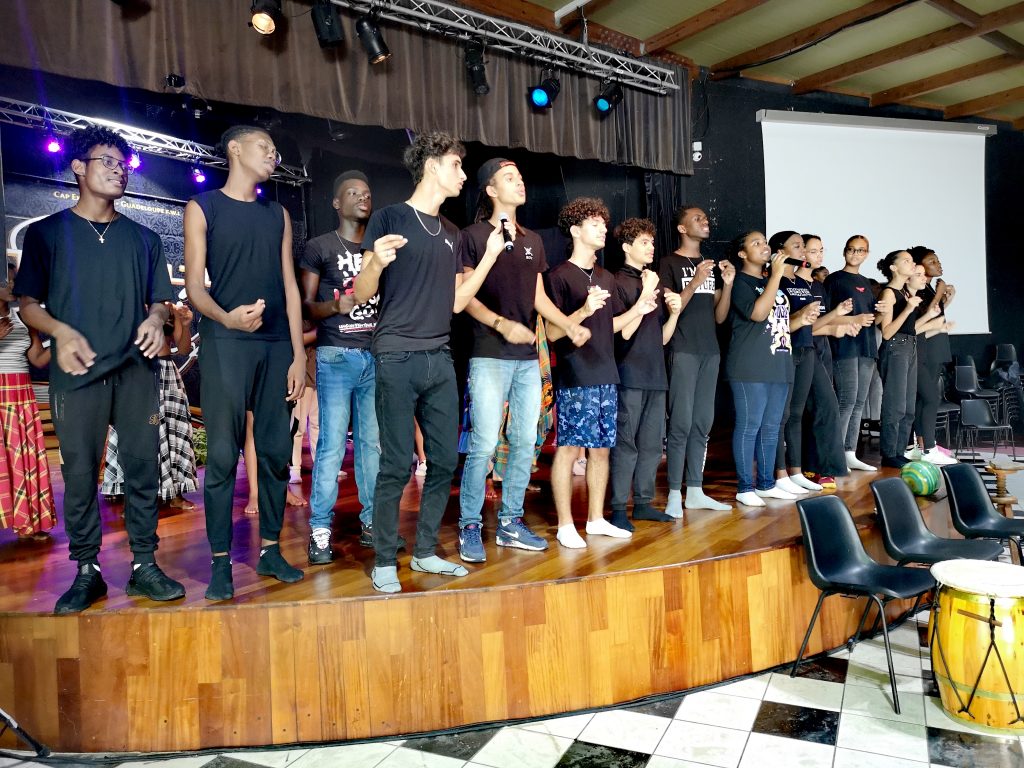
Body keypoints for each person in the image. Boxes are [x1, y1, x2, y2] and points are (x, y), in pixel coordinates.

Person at [15, 125, 185, 613]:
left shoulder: (146, 238)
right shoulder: (47, 233)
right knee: (80, 472)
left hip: (136, 369)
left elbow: (161, 301)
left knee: (142, 468)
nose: (118, 171)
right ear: (78, 167)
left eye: (123, 165)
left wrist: (155, 318)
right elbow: (28, 305)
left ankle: (144, 565)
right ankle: (87, 570)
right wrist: (60, 331)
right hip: (78, 370)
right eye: (107, 161)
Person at [353, 130, 502, 593]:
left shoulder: (453, 234)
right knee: (397, 463)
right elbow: (361, 293)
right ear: (433, 165)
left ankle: (424, 552)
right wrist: (375, 263)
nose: (463, 175)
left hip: (440, 356)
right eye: (457, 165)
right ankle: (384, 560)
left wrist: (489, 258)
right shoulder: (390, 217)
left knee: (443, 460)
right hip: (396, 354)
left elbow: (457, 302)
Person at [184, 125, 307, 601]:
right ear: (234, 149)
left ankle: (271, 550)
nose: (274, 155)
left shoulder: (277, 213)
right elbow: (195, 288)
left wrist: (298, 354)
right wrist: (227, 318)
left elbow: (290, 286)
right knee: (220, 455)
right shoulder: (203, 206)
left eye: (276, 149)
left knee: (275, 453)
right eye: (265, 147)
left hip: (276, 346)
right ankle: (220, 562)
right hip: (225, 342)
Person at [456, 158, 589, 562]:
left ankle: (510, 521)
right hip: (489, 353)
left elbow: (537, 297)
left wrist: (569, 324)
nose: (519, 183)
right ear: (490, 190)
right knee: (483, 442)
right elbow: (464, 297)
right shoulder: (473, 236)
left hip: (527, 357)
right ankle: (469, 525)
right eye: (509, 178)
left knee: (525, 440)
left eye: (520, 177)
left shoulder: (534, 240)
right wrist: (501, 324)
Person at [546, 197, 658, 548]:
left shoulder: (607, 277)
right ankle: (566, 524)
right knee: (569, 449)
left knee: (601, 450)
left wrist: (639, 308)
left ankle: (595, 520)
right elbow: (552, 333)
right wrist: (582, 310)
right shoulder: (559, 276)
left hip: (607, 373)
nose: (602, 230)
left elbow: (610, 327)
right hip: (575, 376)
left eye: (603, 224)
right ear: (575, 231)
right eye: (594, 224)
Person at [299, 170, 388, 563]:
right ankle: (320, 531)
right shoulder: (319, 246)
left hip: (375, 355)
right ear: (337, 203)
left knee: (372, 445)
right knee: (332, 444)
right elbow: (306, 307)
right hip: (336, 355)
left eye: (366, 193)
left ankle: (372, 524)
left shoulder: (379, 248)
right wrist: (337, 305)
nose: (362, 197)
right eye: (353, 193)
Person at [726, 232, 816, 507]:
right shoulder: (740, 282)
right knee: (749, 426)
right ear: (742, 254)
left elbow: (779, 324)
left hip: (779, 362)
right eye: (756, 243)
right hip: (750, 366)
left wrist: (802, 320)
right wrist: (776, 276)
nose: (764, 247)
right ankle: (745, 487)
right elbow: (757, 314)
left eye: (765, 242)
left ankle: (767, 484)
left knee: (771, 427)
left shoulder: (769, 282)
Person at [658, 205, 734, 515]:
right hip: (683, 349)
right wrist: (694, 281)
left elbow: (719, 316)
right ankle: (674, 494)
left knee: (703, 422)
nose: (705, 221)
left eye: (705, 217)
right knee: (681, 423)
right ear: (682, 228)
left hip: (710, 351)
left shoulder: (708, 265)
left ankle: (695, 490)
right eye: (697, 218)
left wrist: (727, 284)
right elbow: (672, 306)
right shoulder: (669, 263)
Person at [608, 218, 681, 530]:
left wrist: (674, 313)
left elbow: (662, 338)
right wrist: (646, 293)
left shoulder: (654, 284)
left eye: (652, 242)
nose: (651, 247)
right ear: (627, 247)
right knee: (626, 444)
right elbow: (625, 333)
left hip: (655, 374)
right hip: (629, 374)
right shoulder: (617, 282)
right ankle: (618, 508)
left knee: (652, 445)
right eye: (643, 242)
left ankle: (643, 503)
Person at [101, 301, 198, 510]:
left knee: (173, 431)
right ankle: (132, 495)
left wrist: (185, 324)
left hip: (166, 372)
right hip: (136, 372)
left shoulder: (169, 309)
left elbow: (183, 348)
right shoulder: (129, 302)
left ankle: (175, 493)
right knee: (136, 433)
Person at [0, 258, 56, 538]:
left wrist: (61, 340)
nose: (13, 284)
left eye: (15, 279)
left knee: (22, 458)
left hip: (21, 392)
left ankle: (27, 522)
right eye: (8, 279)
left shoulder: (22, 316)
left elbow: (36, 358)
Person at [796, 235, 857, 489]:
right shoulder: (792, 284)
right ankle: (820, 467)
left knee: (818, 410)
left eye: (821, 250)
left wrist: (844, 322)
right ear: (801, 254)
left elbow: (823, 322)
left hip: (822, 351)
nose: (819, 255)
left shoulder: (818, 287)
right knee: (822, 408)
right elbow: (804, 326)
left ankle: (814, 466)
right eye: (813, 251)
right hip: (803, 351)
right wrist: (834, 321)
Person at [874, 251, 940, 468]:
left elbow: (910, 328)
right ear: (893, 268)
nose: (912, 264)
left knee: (909, 407)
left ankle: (899, 450)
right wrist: (909, 308)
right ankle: (889, 453)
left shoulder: (904, 292)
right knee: (895, 405)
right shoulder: (889, 293)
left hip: (910, 347)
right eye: (907, 261)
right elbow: (886, 332)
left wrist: (926, 315)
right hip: (895, 348)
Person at [823, 236, 882, 472]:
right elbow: (825, 317)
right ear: (844, 251)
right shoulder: (835, 280)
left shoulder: (865, 282)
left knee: (859, 402)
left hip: (866, 346)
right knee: (846, 400)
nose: (855, 254)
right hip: (845, 346)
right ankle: (835, 453)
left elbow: (870, 319)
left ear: (867, 254)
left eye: (860, 250)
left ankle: (849, 452)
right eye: (851, 249)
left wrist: (881, 312)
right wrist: (853, 319)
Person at [909, 246, 957, 464]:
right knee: (929, 397)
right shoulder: (919, 290)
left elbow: (936, 313)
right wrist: (939, 293)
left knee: (925, 400)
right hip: (924, 349)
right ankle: (928, 446)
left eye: (937, 260)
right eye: (932, 261)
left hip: (936, 348)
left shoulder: (929, 288)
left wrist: (947, 298)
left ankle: (924, 444)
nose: (938, 264)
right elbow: (925, 316)